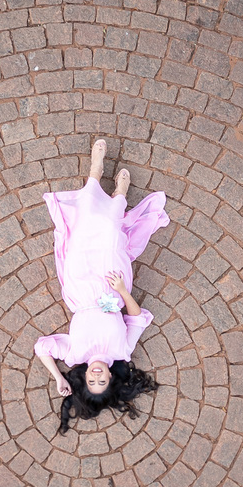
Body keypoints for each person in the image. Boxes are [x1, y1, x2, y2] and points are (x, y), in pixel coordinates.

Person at [34, 138, 170, 434]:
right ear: (111, 377)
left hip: (80, 284)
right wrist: (122, 290)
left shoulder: (73, 355)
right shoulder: (122, 350)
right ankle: (119, 194)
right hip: (113, 283)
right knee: (110, 232)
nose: (97, 377)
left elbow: (41, 347)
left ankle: (95, 171)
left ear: (84, 379)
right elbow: (137, 317)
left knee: (83, 229)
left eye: (91, 382)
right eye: (102, 382)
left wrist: (58, 378)